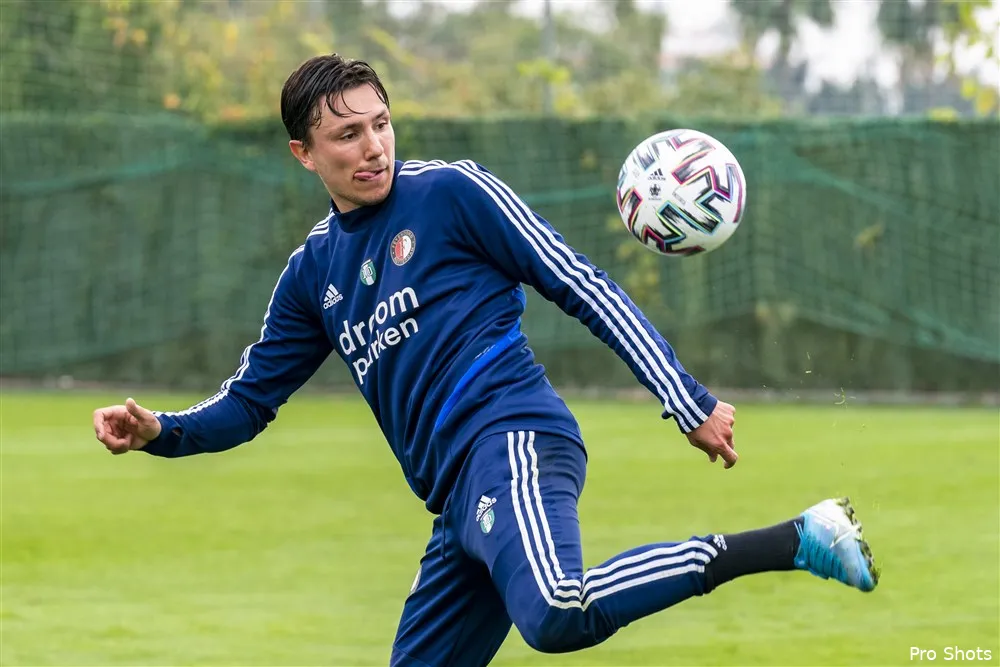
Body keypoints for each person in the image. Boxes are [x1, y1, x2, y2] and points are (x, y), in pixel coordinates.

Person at [92, 54, 879, 666]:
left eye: (380, 123)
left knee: (557, 611)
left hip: (514, 440)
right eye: (347, 134)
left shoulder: (452, 194)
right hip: (457, 504)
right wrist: (161, 429)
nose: (373, 147)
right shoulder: (313, 273)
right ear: (304, 152)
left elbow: (580, 283)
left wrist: (685, 399)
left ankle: (798, 537)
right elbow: (249, 401)